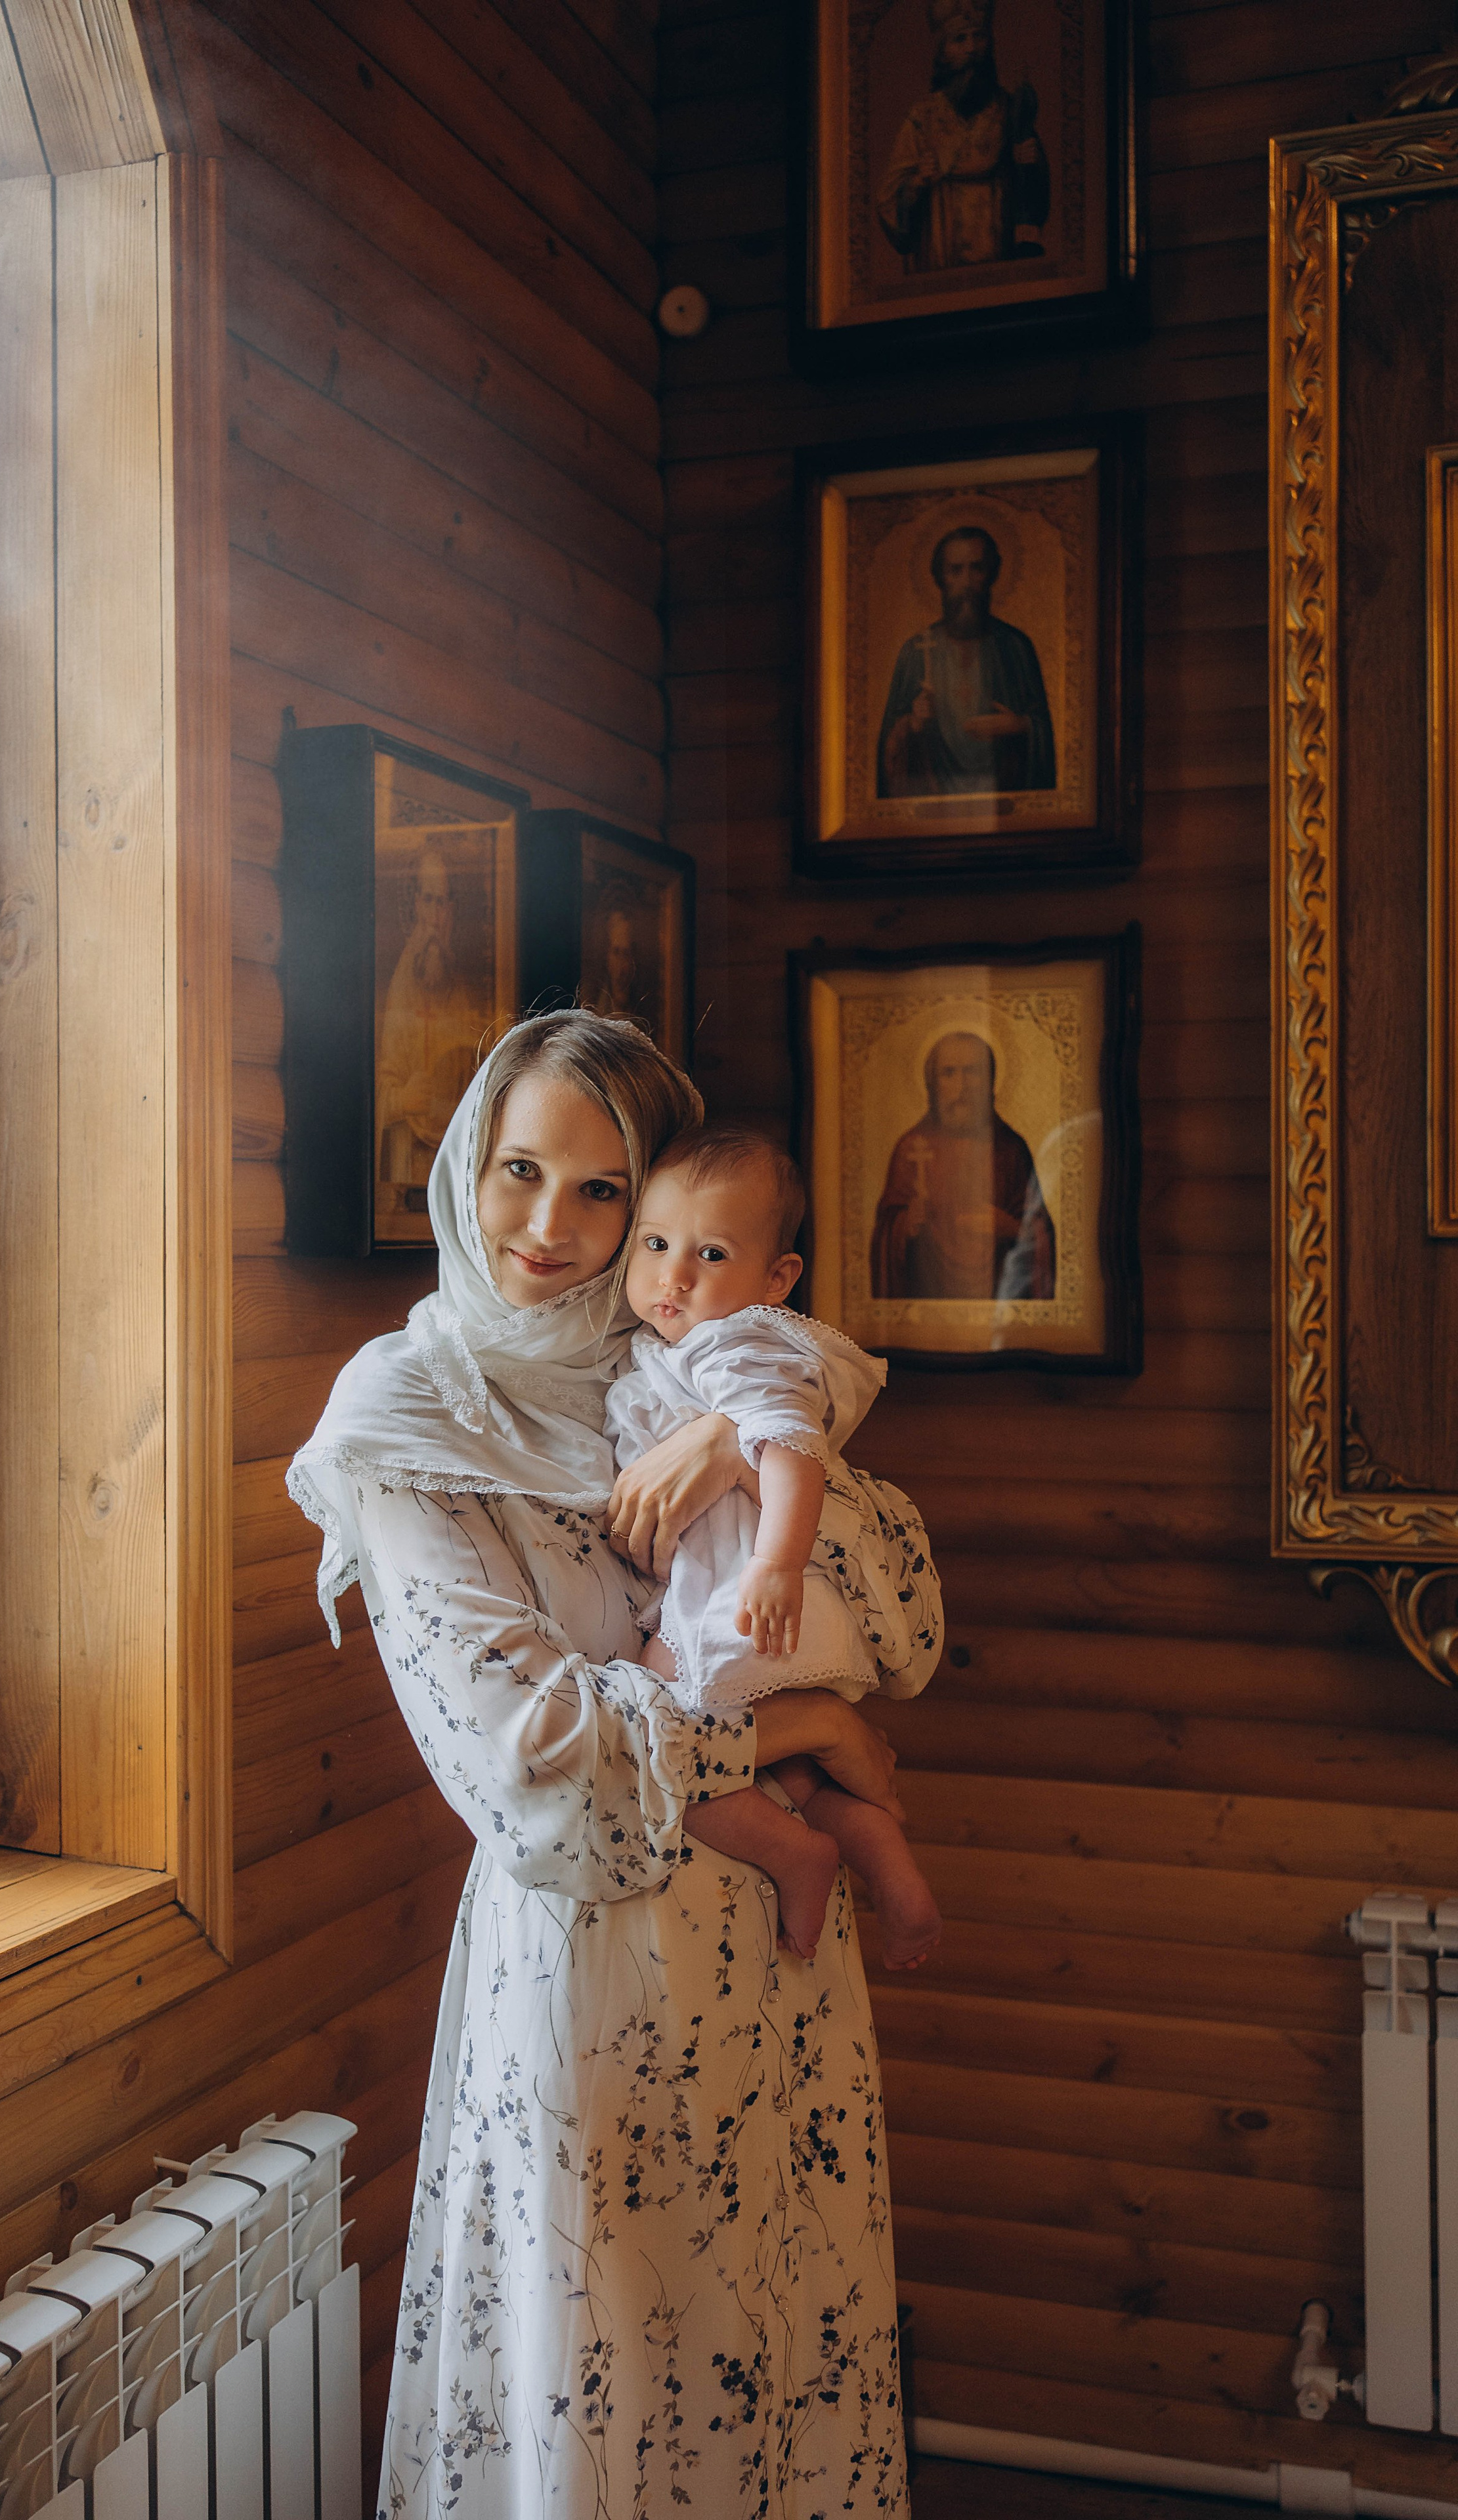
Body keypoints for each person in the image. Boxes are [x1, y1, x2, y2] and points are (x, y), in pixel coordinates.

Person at [290, 1012, 921, 2517]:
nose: (548, 1228)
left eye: (600, 1193)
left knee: (779, 2379)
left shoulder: (707, 1372)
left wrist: (738, 1435)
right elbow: (530, 1763)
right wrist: (802, 1730)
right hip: (595, 1973)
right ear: (466, 1166)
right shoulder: (410, 1416)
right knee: (617, 2421)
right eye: (520, 1170)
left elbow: (900, 1611)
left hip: (783, 1975)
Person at [609, 1124, 943, 1969]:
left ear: (776, 1277)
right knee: (790, 1779)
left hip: (739, 1599)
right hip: (755, 1597)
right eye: (654, 1243)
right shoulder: (690, 1342)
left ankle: (795, 1855)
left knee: (657, 1751)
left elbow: (791, 1450)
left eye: (710, 1252)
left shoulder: (737, 1344)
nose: (673, 1274)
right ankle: (883, 1863)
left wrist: (776, 1566)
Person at [870, 1028, 1055, 1302]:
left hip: (999, 1298)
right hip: (927, 1299)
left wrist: (1012, 1228)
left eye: (972, 1071)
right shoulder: (912, 1148)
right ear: (932, 1084)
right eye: (949, 1073)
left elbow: (1042, 1235)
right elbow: (885, 1233)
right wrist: (905, 1224)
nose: (962, 1086)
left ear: (990, 1080)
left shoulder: (1011, 1150)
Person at [877, 526, 1056, 798]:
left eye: (977, 568)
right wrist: (913, 722)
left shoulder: (1015, 647)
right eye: (956, 570)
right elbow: (888, 752)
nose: (967, 582)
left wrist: (1020, 726)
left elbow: (1043, 729)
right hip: (934, 803)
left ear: (992, 574)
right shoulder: (915, 652)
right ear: (940, 578)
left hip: (1003, 800)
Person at [875, 0, 1049, 274]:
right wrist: (918, 182)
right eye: (960, 39)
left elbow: (1033, 194)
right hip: (939, 259)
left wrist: (1025, 163)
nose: (971, 49)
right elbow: (888, 201)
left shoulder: (1008, 111)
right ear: (942, 52)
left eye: (978, 37)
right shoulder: (923, 119)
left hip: (998, 263)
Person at [375, 843, 488, 1198]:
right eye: (428, 901)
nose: (436, 916)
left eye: (443, 902)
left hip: (452, 1148)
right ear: (414, 906)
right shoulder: (397, 990)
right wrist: (403, 1100)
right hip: (407, 1151)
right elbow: (377, 1089)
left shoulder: (463, 993)